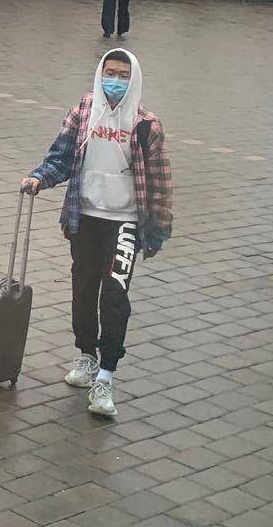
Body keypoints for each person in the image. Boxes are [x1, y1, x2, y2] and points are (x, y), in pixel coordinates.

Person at [20, 48, 173, 419]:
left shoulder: (146, 124)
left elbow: (159, 183)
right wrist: (39, 177)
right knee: (84, 289)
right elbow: (61, 156)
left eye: (123, 75)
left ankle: (106, 376)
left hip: (125, 221)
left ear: (134, 79)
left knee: (115, 296)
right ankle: (87, 355)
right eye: (110, 73)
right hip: (85, 216)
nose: (115, 81)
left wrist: (156, 230)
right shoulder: (84, 111)